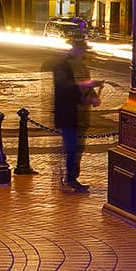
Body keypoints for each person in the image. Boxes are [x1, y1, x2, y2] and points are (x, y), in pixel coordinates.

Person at [51, 34, 102, 193]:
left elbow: (85, 90)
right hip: (68, 114)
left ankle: (72, 178)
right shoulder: (62, 65)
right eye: (81, 50)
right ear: (75, 49)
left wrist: (92, 98)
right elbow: (64, 88)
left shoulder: (82, 66)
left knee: (77, 148)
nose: (83, 53)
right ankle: (69, 179)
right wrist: (86, 85)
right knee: (71, 147)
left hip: (80, 115)